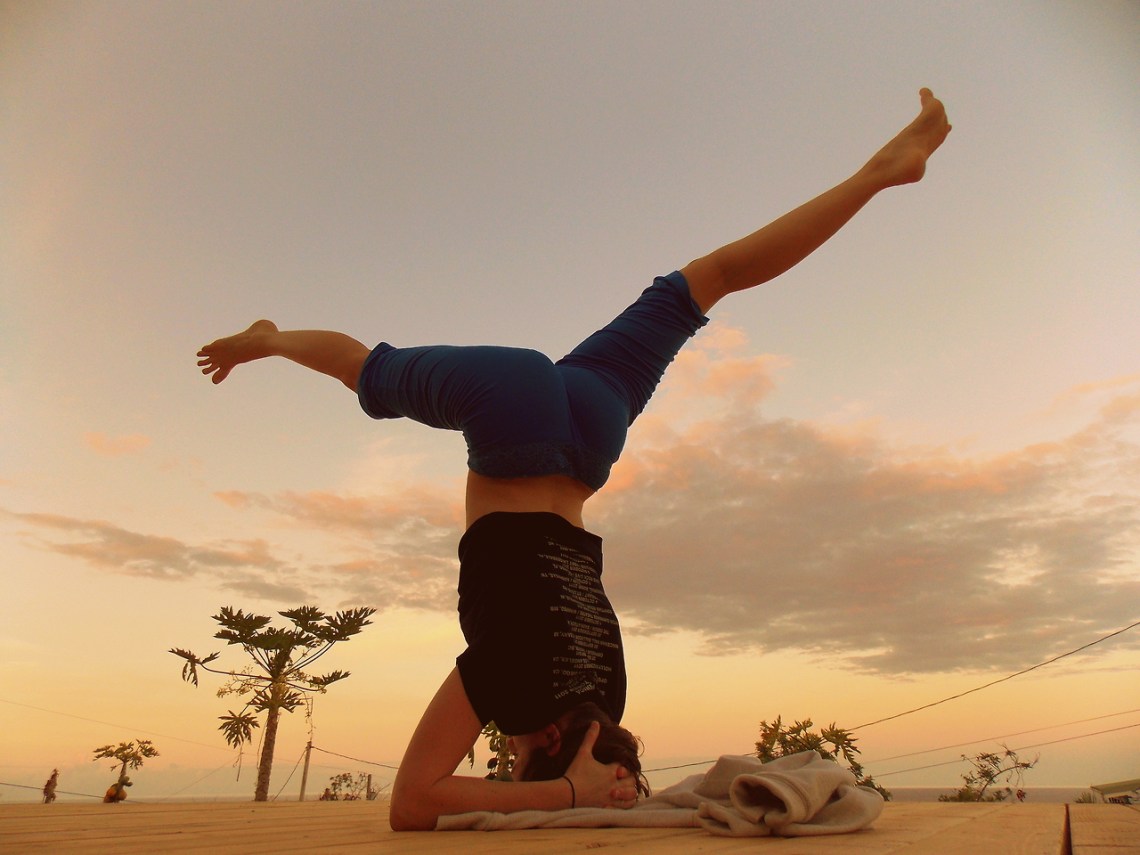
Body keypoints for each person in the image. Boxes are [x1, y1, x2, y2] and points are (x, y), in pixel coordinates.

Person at [198, 89, 951, 831]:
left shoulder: (609, 695)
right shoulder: (515, 686)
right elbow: (415, 801)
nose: (503, 752)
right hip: (509, 413)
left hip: (592, 432)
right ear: (550, 743)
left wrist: (587, 783)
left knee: (711, 277)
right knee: (361, 367)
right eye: (513, 759)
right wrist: (561, 795)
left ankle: (877, 175)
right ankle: (268, 339)